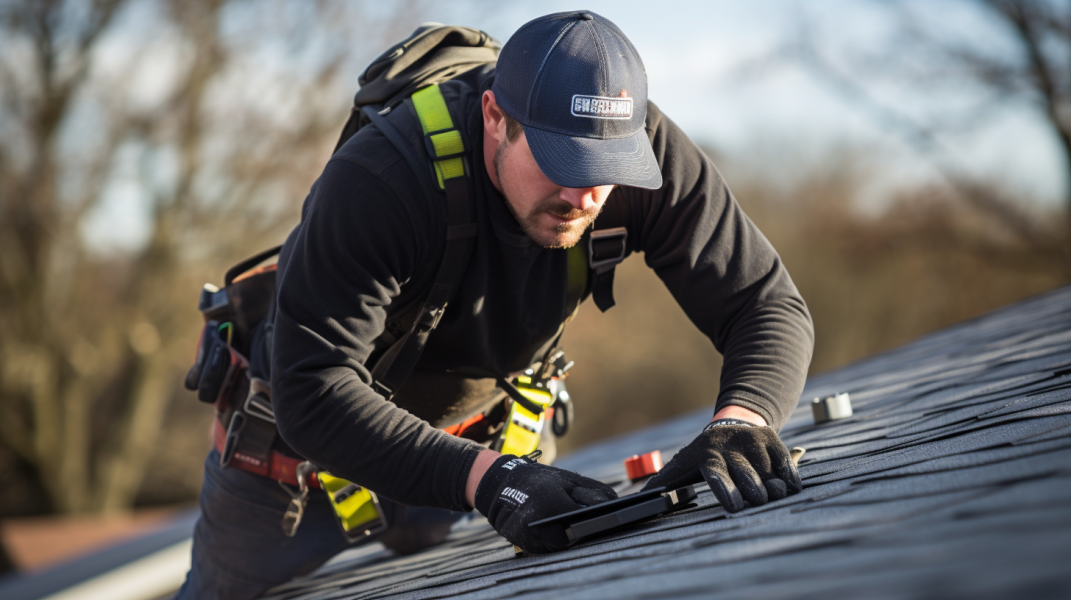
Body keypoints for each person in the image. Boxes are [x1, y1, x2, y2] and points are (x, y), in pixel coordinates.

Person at [176, 10, 813, 600]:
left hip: (487, 444)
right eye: (559, 159)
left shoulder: (640, 150)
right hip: (302, 469)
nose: (582, 193)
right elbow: (313, 388)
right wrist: (491, 480)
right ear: (493, 117)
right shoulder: (381, 181)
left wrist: (744, 419)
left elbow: (765, 303)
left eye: (602, 167)